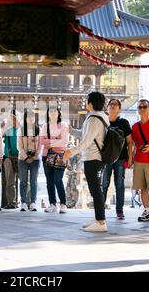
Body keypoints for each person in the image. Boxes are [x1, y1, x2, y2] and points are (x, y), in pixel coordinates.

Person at [64, 91, 109, 232]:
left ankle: (101, 222)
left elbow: (87, 141)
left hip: (93, 158)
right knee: (96, 190)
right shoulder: (101, 116)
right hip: (96, 158)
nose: (85, 102)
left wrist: (71, 151)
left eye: (87, 100)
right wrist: (72, 131)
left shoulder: (94, 118)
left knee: (96, 191)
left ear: (91, 103)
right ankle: (98, 219)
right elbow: (87, 136)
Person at [101, 99, 133, 220]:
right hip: (105, 158)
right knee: (104, 184)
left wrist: (130, 157)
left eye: (116, 105)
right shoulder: (103, 121)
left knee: (120, 184)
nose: (113, 106)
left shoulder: (124, 123)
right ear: (108, 107)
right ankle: (100, 209)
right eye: (111, 104)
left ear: (119, 108)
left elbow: (130, 142)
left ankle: (119, 210)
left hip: (121, 158)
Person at [40, 104, 69, 213]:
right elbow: (42, 141)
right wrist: (56, 139)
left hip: (60, 155)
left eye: (55, 111)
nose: (53, 113)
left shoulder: (63, 125)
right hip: (46, 155)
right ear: (47, 114)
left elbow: (64, 141)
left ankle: (63, 203)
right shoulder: (44, 126)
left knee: (58, 179)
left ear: (58, 113)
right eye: (50, 111)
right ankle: (52, 203)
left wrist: (50, 142)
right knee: (49, 181)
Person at [18, 108, 42, 212]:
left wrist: (34, 156)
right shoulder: (21, 130)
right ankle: (23, 202)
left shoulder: (38, 130)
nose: (30, 118)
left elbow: (41, 145)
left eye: (32, 116)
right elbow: (19, 146)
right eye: (28, 116)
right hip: (23, 159)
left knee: (34, 181)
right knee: (23, 181)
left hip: (35, 159)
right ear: (25, 118)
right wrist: (27, 157)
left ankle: (33, 202)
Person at [2, 110, 20, 209]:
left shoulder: (23, 129)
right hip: (8, 158)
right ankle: (11, 203)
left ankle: (27, 202)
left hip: (21, 158)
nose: (13, 119)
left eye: (15, 117)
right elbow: (1, 134)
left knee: (25, 182)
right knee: (10, 182)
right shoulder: (8, 130)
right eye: (12, 117)